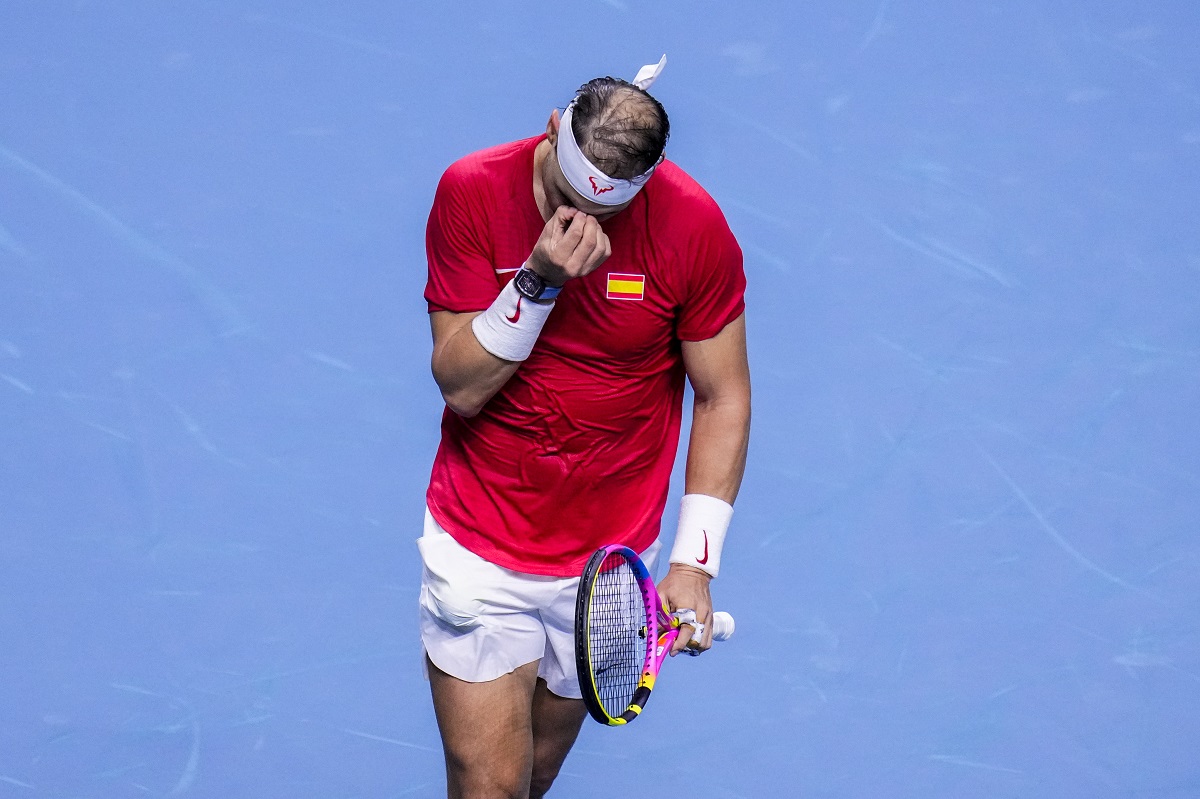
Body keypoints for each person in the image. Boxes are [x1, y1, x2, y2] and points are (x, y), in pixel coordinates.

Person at [419, 56, 751, 799]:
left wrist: (696, 560)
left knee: (532, 776)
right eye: (566, 199)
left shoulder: (693, 227)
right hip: (481, 544)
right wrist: (536, 282)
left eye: (603, 212)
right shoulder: (470, 191)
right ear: (549, 133)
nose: (579, 226)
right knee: (490, 786)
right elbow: (461, 386)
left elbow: (723, 394)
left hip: (607, 567)